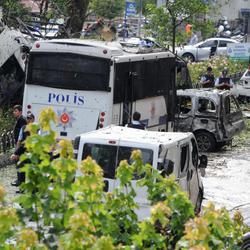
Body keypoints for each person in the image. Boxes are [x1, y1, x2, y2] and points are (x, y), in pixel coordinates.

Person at [10, 113, 35, 192]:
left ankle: (33, 189)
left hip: (33, 153)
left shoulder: (37, 128)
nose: (28, 120)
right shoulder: (23, 128)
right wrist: (16, 152)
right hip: (24, 151)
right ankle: (22, 188)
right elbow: (19, 141)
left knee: (33, 171)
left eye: (30, 118)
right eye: (27, 118)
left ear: (33, 119)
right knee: (21, 170)